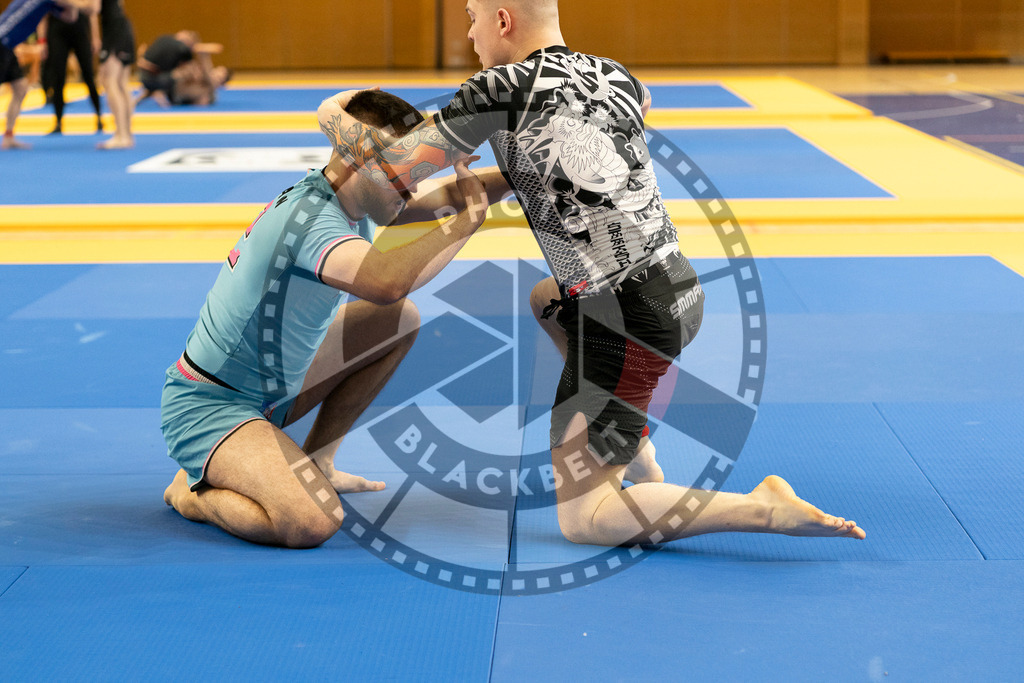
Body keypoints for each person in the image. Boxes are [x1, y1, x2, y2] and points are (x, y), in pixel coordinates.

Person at [318, 0, 866, 547]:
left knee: (585, 519)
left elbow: (393, 172)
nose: (470, 33)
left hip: (625, 319)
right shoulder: (616, 75)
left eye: (472, 17)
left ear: (503, 20)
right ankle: (639, 457)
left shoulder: (498, 88)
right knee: (546, 299)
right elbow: (604, 130)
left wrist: (334, 111)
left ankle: (760, 509)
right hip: (676, 287)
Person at [161, 90, 512, 548]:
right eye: (403, 176)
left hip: (276, 389)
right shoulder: (311, 221)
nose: (412, 188)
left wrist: (521, 176)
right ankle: (191, 494)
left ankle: (318, 459)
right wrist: (465, 223)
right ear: (359, 161)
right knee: (310, 522)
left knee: (396, 320)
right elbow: (385, 282)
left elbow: (441, 199)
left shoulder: (353, 193)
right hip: (212, 403)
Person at [0, 0, 96, 149]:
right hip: (2, 42)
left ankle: (8, 136)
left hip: (8, 45)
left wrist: (75, 6)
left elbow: (71, 17)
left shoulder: (50, 4)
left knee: (20, 88)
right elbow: (90, 8)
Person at [41, 6, 102, 134]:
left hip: (80, 30)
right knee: (58, 78)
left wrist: (95, 37)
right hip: (57, 32)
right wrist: (42, 41)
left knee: (88, 76)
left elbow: (92, 13)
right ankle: (58, 121)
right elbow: (43, 15)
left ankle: (99, 117)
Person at [135, 30, 224, 108]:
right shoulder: (173, 50)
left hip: (170, 87)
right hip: (161, 82)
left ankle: (158, 90)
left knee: (202, 85)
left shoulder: (182, 56)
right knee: (188, 74)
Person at [94, 0, 133, 149]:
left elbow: (93, 7)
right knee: (122, 83)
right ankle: (126, 135)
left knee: (110, 82)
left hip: (114, 30)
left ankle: (121, 135)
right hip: (124, 26)